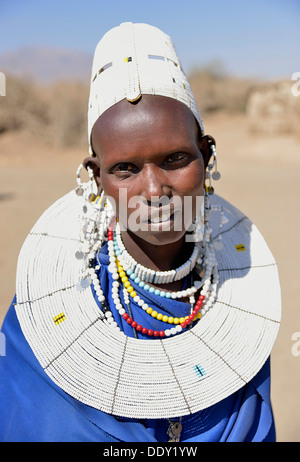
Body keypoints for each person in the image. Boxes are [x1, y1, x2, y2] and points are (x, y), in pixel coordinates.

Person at [0, 22, 281, 442]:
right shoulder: (34, 329)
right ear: (97, 178)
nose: (154, 191)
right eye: (125, 169)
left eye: (175, 159)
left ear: (206, 157)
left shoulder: (242, 309)